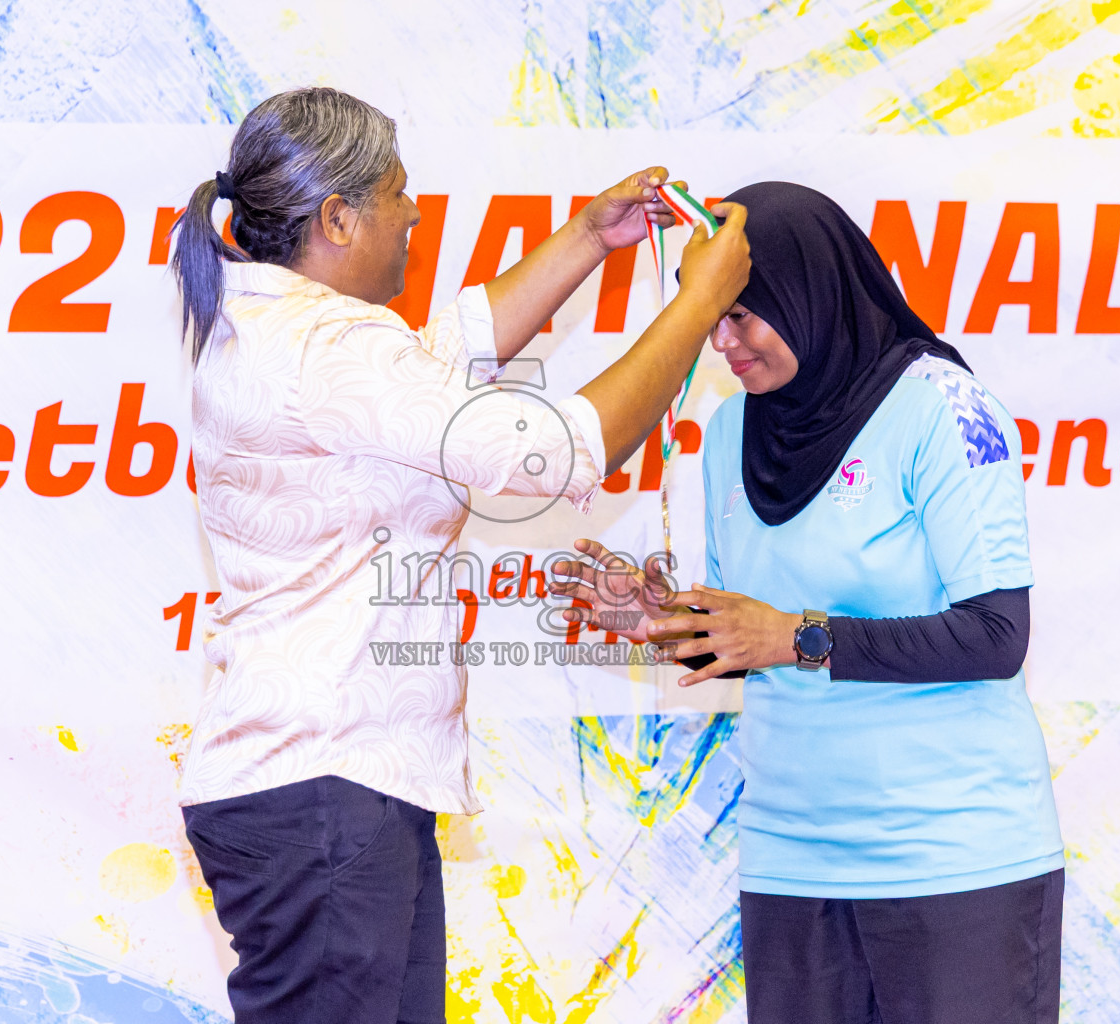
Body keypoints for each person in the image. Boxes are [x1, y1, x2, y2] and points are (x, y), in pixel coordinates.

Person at [167, 87, 749, 1024]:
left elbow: (439, 365)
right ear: (338, 217)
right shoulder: (325, 348)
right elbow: (559, 449)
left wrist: (588, 239)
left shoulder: (288, 330)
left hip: (329, 790)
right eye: (399, 194)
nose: (415, 213)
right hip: (324, 793)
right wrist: (698, 302)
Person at [552, 182, 1064, 1024]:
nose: (723, 345)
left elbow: (996, 636)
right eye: (710, 318)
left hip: (954, 861)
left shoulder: (942, 407)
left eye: (742, 316)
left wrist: (797, 637)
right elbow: (752, 639)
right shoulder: (728, 433)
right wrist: (667, 630)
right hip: (792, 865)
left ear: (808, 293)